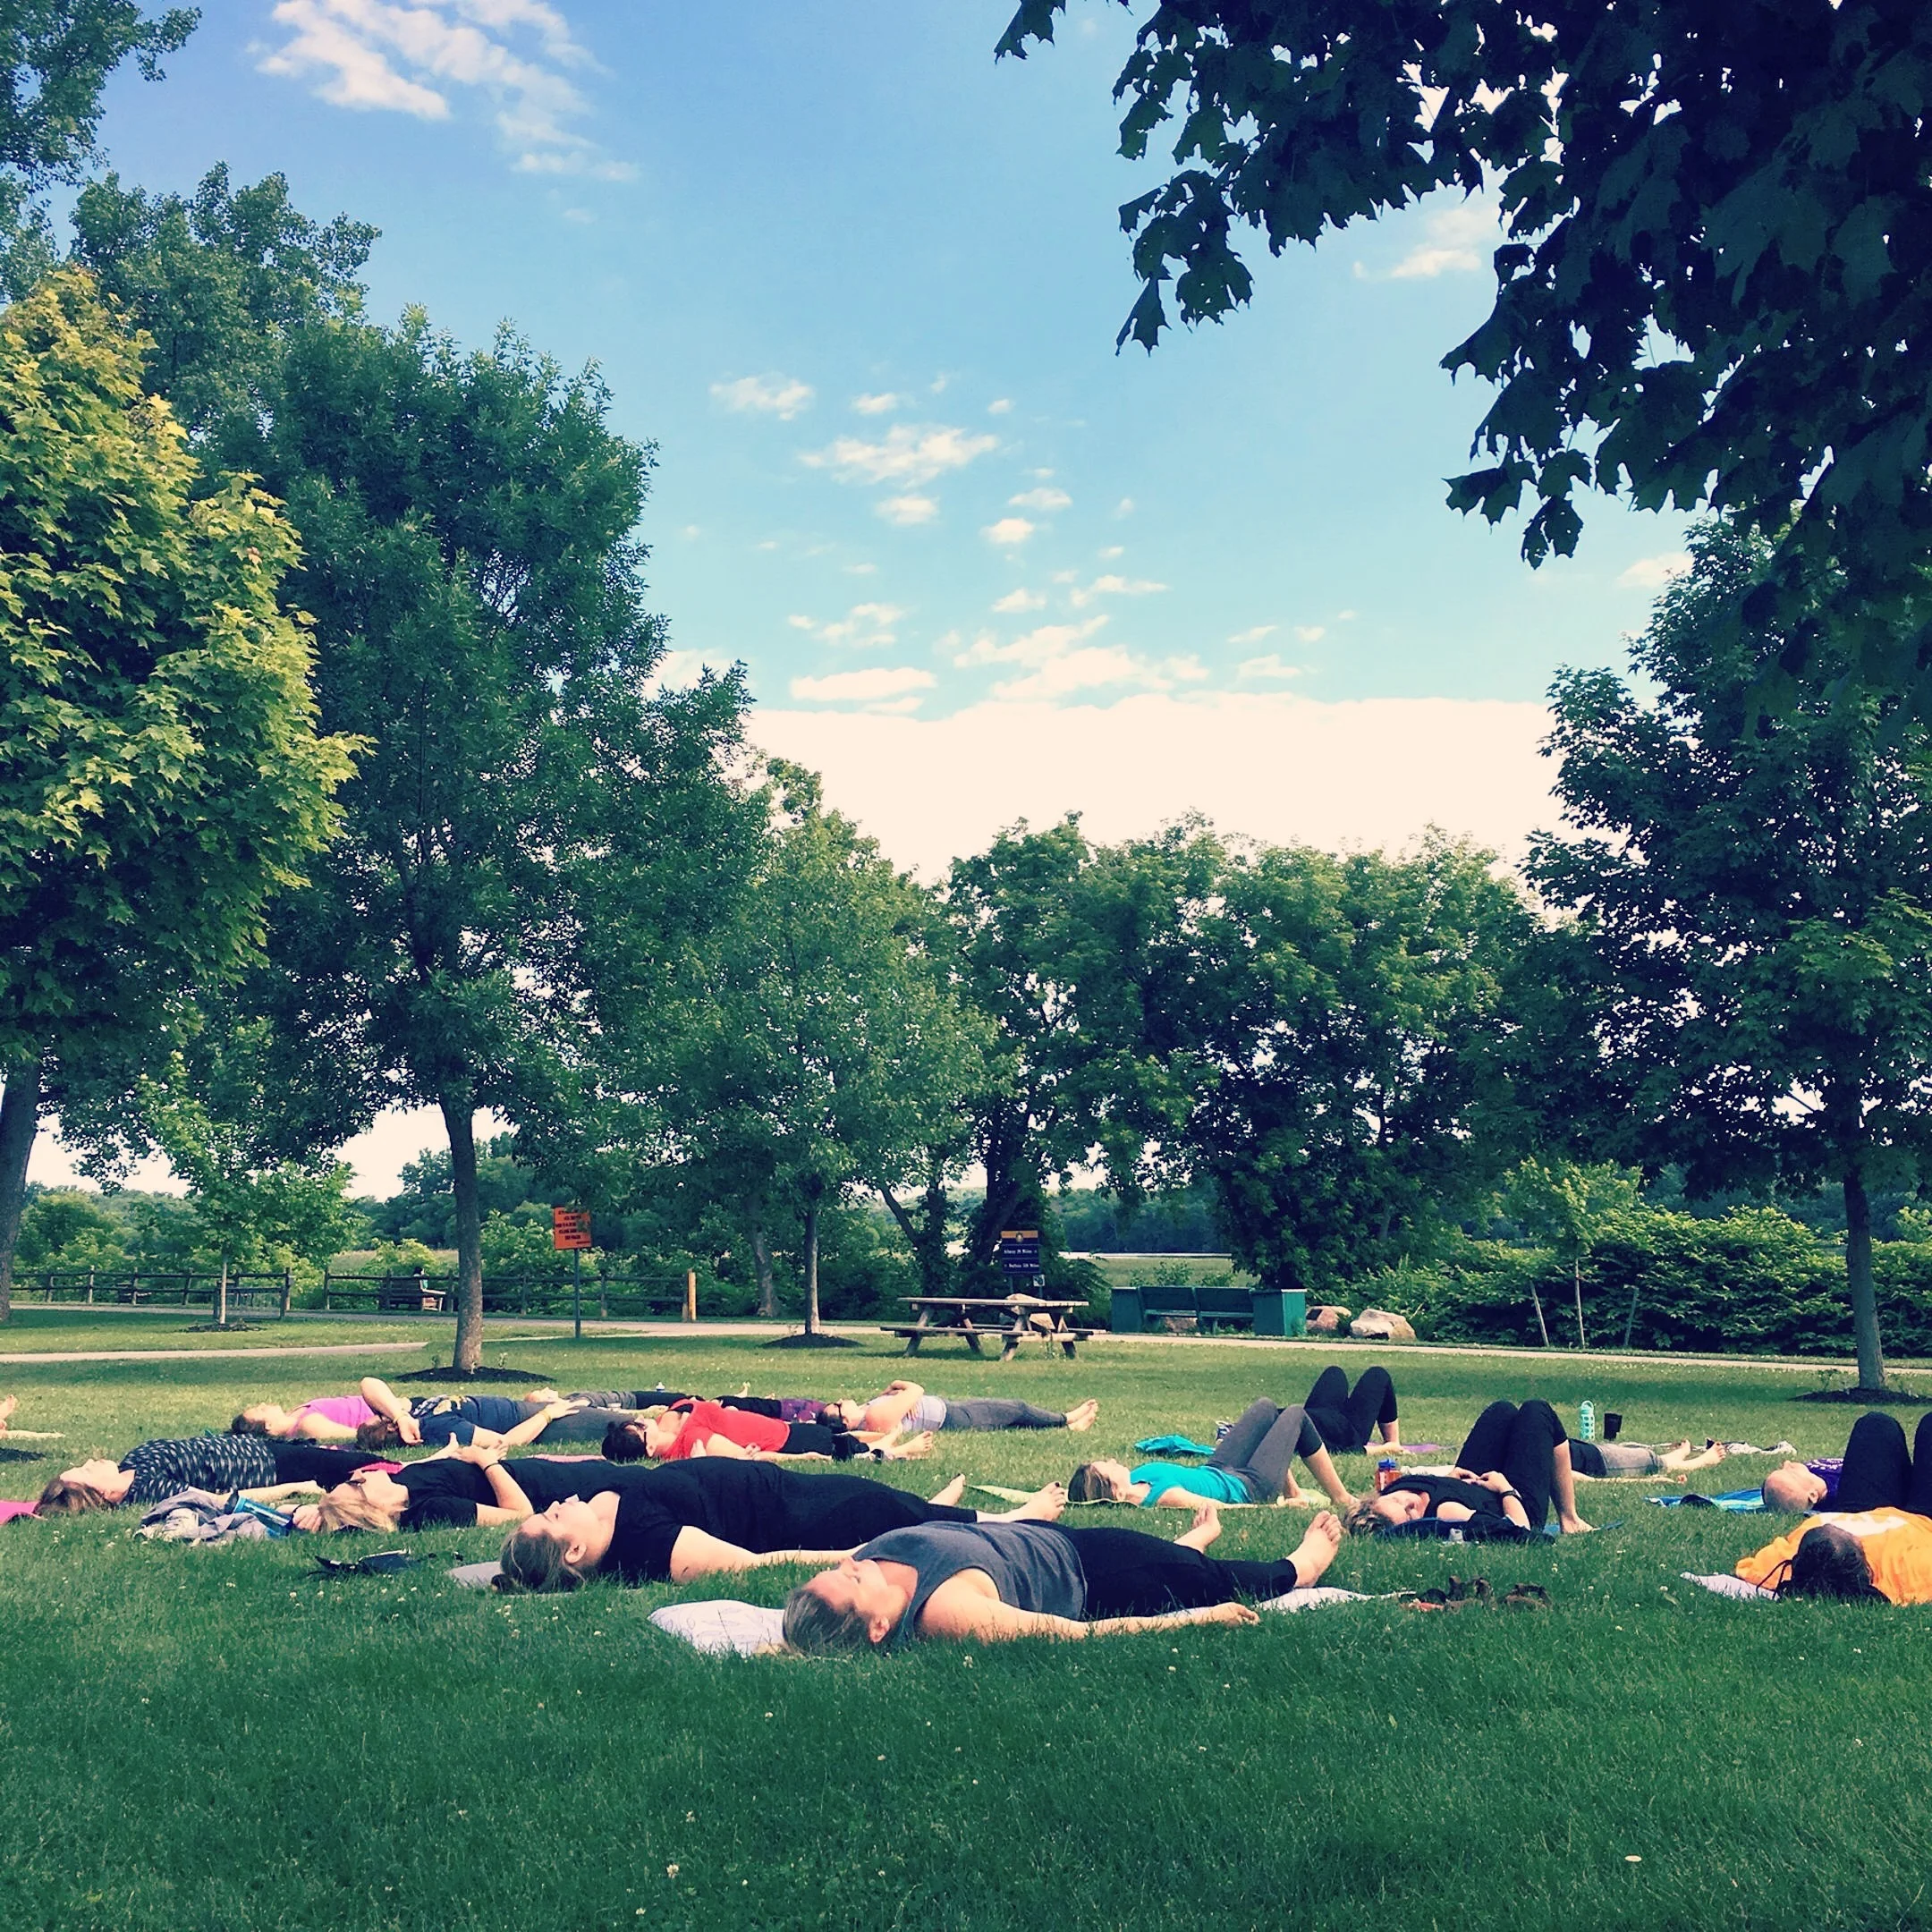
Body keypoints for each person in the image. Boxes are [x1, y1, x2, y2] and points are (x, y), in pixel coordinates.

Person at [781, 1503, 1346, 1652]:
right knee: (1210, 1577)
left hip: (1045, 1540)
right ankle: (1301, 1566)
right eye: (850, 1582)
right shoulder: (950, 1612)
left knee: (1172, 1558)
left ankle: (1181, 1549)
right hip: (1098, 1576)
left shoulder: (874, 1575)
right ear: (878, 1627)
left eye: (840, 1568)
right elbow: (1069, 1634)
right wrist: (1199, 1618)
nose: (851, 1564)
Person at [496, 1459, 1070, 1590]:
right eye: (550, 1516)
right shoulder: (647, 1548)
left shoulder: (598, 1506)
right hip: (796, 1516)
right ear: (572, 1553)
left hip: (781, 1486)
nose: (556, 1504)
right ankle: (1015, 1521)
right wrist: (857, 1554)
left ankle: (933, 1506)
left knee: (887, 1499)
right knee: (884, 1513)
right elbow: (758, 1564)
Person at [1736, 1419, 1932, 1603]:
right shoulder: (1907, 1570)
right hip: (1924, 1517)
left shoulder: (1787, 1563)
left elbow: (1748, 1568)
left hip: (1858, 1509)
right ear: (1863, 1565)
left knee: (1875, 1424)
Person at [1350, 1399, 1591, 1535]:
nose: (1410, 1503)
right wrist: (1505, 1489)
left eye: (1397, 1501)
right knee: (1538, 1412)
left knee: (1502, 1411)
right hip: (1515, 1503)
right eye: (1410, 1514)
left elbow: (1425, 1488)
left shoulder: (1397, 1488)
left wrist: (1450, 1478)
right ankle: (1569, 1518)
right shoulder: (1446, 1514)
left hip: (1472, 1482)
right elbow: (1519, 1531)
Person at [1067, 1398, 1356, 1511]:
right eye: (1107, 1466)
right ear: (1114, 1491)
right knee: (1295, 1415)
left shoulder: (1138, 1476)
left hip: (1219, 1468)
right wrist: (1277, 1509)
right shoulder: (1162, 1497)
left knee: (1266, 1408)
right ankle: (1341, 1497)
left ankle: (1293, 1491)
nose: (1114, 1460)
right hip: (1249, 1488)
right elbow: (1225, 1509)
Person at [291, 1444, 630, 1533]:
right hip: (549, 1487)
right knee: (635, 1484)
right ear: (377, 1510)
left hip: (533, 1467)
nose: (361, 1475)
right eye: (356, 1485)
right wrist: (486, 1462)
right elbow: (518, 1514)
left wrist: (312, 1510)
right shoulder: (431, 1510)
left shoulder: (404, 1482)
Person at [37, 1438, 381, 1514]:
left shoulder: (132, 1461)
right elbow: (219, 1502)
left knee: (357, 1463)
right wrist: (295, 1488)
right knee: (370, 1466)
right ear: (99, 1496)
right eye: (84, 1472)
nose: (90, 1461)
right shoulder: (148, 1490)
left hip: (258, 1446)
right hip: (271, 1467)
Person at [599, 1399, 928, 1465]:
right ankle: (891, 1450)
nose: (645, 1424)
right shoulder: (691, 1444)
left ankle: (884, 1441)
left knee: (834, 1440)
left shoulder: (671, 1415)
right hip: (780, 1440)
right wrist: (803, 1459)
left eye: (638, 1423)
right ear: (648, 1450)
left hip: (778, 1427)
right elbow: (748, 1458)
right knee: (834, 1447)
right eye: (641, 1431)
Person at [348, 1379, 633, 1452]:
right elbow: (505, 1442)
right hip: (536, 1420)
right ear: (388, 1430)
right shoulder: (437, 1429)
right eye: (384, 1419)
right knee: (626, 1424)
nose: (387, 1414)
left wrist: (399, 1415)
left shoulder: (414, 1412)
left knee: (609, 1399)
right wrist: (548, 1414)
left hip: (525, 1405)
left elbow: (368, 1383)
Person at [825, 1381, 1099, 1436]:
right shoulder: (873, 1417)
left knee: (1007, 1417)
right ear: (845, 1420)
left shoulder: (868, 1413)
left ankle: (1066, 1425)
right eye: (838, 1405)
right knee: (1016, 1408)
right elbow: (916, 1389)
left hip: (947, 1410)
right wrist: (899, 1387)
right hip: (954, 1418)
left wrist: (896, 1395)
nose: (841, 1399)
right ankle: (1066, 1421)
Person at [1301, 1366, 1402, 1454]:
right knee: (1378, 1375)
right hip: (1346, 1432)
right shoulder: (1307, 1442)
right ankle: (1394, 1444)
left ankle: (1394, 1444)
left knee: (1334, 1373)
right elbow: (1339, 1450)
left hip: (1317, 1415)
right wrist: (1383, 1449)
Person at [1568, 1436, 1726, 1479]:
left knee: (1639, 1455)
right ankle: (1699, 1462)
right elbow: (1569, 1476)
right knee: (1649, 1460)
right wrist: (1646, 1480)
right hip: (1601, 1463)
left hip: (1590, 1451)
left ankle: (1671, 1458)